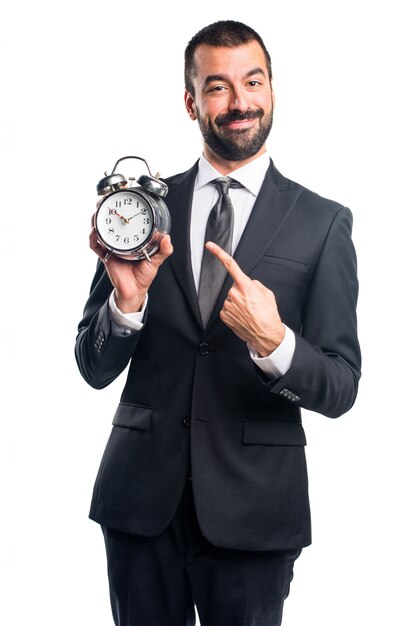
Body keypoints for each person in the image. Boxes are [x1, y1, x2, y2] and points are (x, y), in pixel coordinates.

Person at [75, 20, 361, 626]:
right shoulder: (142, 210)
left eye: (252, 82)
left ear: (272, 91)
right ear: (191, 102)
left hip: (254, 512)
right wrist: (126, 307)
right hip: (140, 502)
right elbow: (91, 365)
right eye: (218, 87)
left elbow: (341, 386)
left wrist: (275, 343)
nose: (239, 102)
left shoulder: (323, 222)